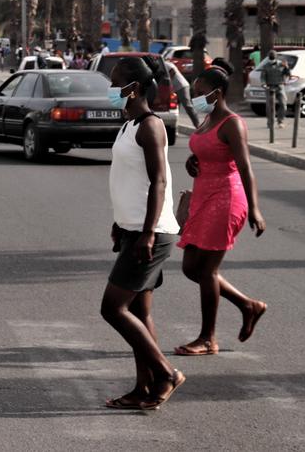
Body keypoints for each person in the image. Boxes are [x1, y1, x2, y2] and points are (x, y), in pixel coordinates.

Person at [101, 56, 186, 410]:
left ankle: (166, 374)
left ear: (133, 88)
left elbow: (159, 181)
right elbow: (129, 180)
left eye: (115, 83)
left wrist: (148, 233)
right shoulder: (128, 124)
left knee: (113, 309)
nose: (110, 90)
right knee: (139, 311)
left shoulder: (150, 125)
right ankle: (143, 387)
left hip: (151, 232)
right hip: (133, 229)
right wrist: (120, 222)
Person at [176, 60, 268, 356]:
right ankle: (248, 305)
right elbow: (206, 151)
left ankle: (208, 338)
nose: (195, 96)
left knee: (207, 270)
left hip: (226, 199)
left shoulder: (232, 123)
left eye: (200, 92)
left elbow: (245, 167)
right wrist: (194, 162)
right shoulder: (207, 120)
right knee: (192, 267)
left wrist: (255, 208)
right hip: (203, 195)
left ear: (216, 93)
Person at [257, 51, 291, 127]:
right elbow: (263, 77)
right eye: (270, 57)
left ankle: (280, 121)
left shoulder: (281, 64)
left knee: (283, 104)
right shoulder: (265, 66)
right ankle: (270, 122)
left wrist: (287, 67)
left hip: (280, 86)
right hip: (270, 87)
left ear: (276, 57)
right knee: (270, 106)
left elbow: (288, 74)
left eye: (273, 57)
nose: (271, 59)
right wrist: (264, 84)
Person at [165, 60, 199, 128]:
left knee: (188, 106)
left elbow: (172, 71)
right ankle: (175, 127)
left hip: (181, 86)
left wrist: (168, 82)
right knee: (175, 109)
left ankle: (198, 125)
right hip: (174, 88)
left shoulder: (166, 64)